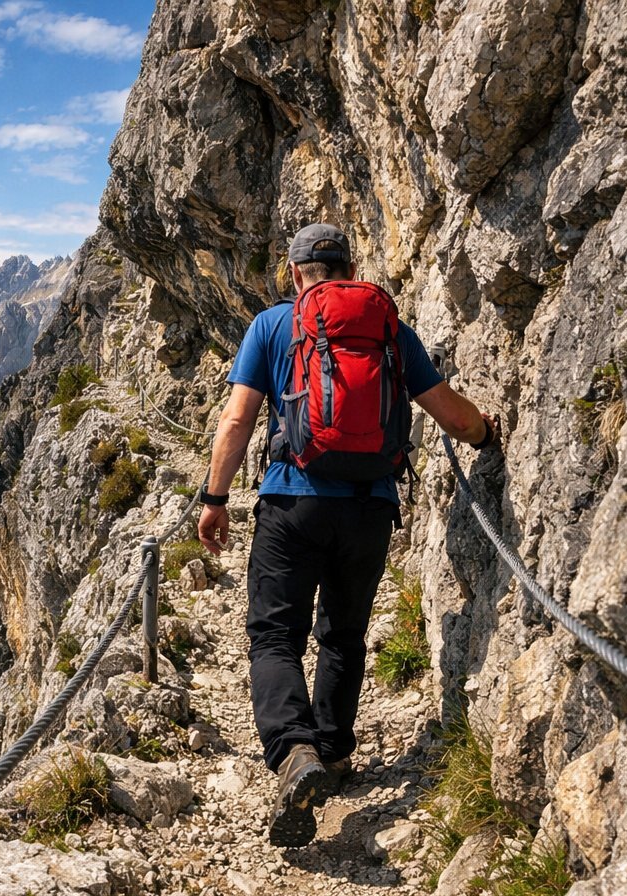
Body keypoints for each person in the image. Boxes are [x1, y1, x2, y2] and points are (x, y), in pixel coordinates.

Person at [197, 223, 497, 847]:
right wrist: (488, 435)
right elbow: (450, 412)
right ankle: (332, 753)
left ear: (294, 269)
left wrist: (215, 497)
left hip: (292, 504)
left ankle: (292, 751)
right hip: (369, 507)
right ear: (349, 267)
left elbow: (237, 418)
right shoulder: (389, 329)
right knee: (344, 632)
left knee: (275, 633)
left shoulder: (273, 326)